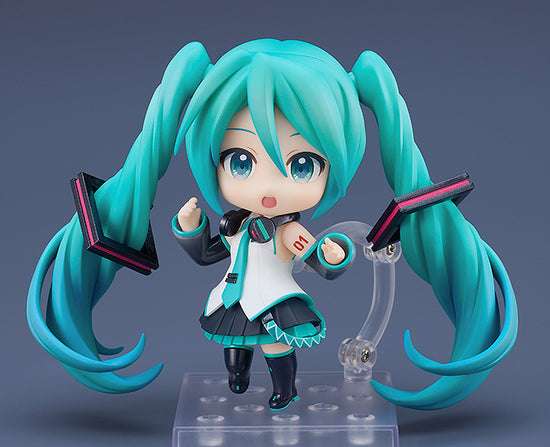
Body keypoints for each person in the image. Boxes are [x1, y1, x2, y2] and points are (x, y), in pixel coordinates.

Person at [27, 39, 517, 411]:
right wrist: (190, 228)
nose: (268, 186)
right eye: (241, 161)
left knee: (278, 345)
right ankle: (238, 378)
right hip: (234, 297)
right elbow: (209, 255)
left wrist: (332, 253)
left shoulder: (286, 232)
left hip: (278, 299)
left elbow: (324, 261)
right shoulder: (236, 223)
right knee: (235, 346)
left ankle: (285, 390)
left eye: (302, 165)